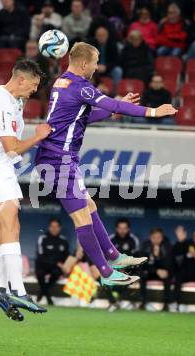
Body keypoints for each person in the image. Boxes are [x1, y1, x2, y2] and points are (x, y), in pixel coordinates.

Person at [34, 42, 176, 288]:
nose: (97, 66)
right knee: (81, 217)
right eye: (95, 62)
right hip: (58, 160)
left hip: (58, 158)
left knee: (88, 205)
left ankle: (113, 256)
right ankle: (106, 273)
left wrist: (112, 111)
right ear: (83, 64)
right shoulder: (81, 87)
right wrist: (153, 112)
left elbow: (83, 116)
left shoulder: (62, 82)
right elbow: (113, 104)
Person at [0, 59, 51, 321]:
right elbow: (12, 148)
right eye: (33, 85)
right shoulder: (5, 102)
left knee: (0, 230)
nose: (34, 91)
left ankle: (2, 290)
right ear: (20, 80)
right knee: (11, 225)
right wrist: (38, 137)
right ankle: (19, 290)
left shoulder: (7, 97)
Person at [105, 218, 141, 312]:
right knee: (103, 277)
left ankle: (126, 301)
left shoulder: (133, 240)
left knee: (132, 278)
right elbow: (106, 257)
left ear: (128, 229)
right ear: (116, 229)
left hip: (130, 269)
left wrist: (125, 268)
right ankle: (113, 302)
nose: (122, 230)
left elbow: (136, 258)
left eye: (124, 228)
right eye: (120, 228)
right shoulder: (111, 239)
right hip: (114, 268)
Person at [172, 227, 195, 312]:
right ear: (194, 238)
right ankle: (175, 304)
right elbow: (176, 251)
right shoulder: (188, 243)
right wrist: (180, 241)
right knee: (178, 278)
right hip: (186, 272)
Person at [35, 218, 69, 305]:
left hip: (56, 267)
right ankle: (49, 298)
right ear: (49, 227)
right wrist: (56, 262)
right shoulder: (42, 238)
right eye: (52, 226)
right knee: (39, 273)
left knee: (56, 273)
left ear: (60, 228)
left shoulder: (63, 240)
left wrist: (65, 267)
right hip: (43, 264)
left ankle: (42, 292)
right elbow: (40, 256)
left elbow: (66, 257)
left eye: (56, 227)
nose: (54, 229)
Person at [139, 228, 172, 311]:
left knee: (167, 277)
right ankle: (143, 302)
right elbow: (143, 264)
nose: (156, 240)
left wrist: (158, 256)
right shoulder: (145, 246)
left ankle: (166, 304)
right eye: (154, 237)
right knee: (142, 275)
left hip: (162, 272)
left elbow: (169, 264)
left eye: (159, 237)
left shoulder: (167, 246)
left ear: (162, 238)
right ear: (150, 237)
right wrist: (155, 270)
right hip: (150, 272)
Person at [89, 26, 122, 91]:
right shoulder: (91, 45)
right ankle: (91, 92)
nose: (101, 37)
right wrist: (96, 66)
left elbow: (116, 61)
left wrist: (106, 67)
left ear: (107, 36)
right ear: (96, 36)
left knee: (118, 70)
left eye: (103, 35)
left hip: (108, 69)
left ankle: (115, 91)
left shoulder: (112, 45)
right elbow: (87, 60)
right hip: (95, 69)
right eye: (99, 35)